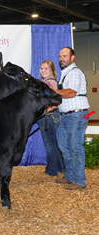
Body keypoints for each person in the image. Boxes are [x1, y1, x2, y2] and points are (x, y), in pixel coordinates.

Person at [53, 47, 90, 190]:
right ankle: (69, 176)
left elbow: (71, 93)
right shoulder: (65, 74)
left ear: (72, 58)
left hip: (76, 114)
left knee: (75, 147)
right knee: (64, 146)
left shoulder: (75, 73)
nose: (61, 58)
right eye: (60, 56)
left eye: (64, 56)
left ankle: (79, 180)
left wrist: (52, 91)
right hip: (66, 114)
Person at [37, 60, 65, 177]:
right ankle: (61, 168)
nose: (43, 71)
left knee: (50, 144)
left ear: (52, 70)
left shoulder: (49, 83)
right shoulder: (48, 82)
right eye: (42, 68)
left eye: (46, 69)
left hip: (48, 116)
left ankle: (51, 171)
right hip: (50, 116)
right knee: (53, 142)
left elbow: (55, 100)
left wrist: (49, 109)